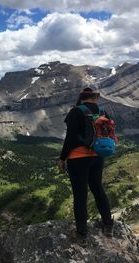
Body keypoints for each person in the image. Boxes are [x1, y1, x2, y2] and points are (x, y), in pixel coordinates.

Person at [58, 87, 114, 241]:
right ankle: (108, 225)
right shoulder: (102, 112)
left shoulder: (76, 112)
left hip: (78, 158)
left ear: (81, 97)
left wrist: (62, 158)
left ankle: (82, 233)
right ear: (95, 97)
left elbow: (69, 138)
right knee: (97, 188)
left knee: (80, 194)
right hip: (98, 156)